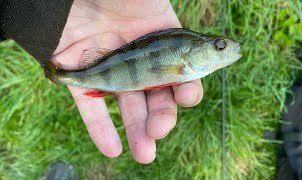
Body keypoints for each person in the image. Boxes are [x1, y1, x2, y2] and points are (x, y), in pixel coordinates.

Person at [0, 0, 204, 164]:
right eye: (219, 46)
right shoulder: (183, 57)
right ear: (195, 51)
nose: (227, 48)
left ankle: (59, 74)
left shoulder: (185, 54)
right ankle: (59, 74)